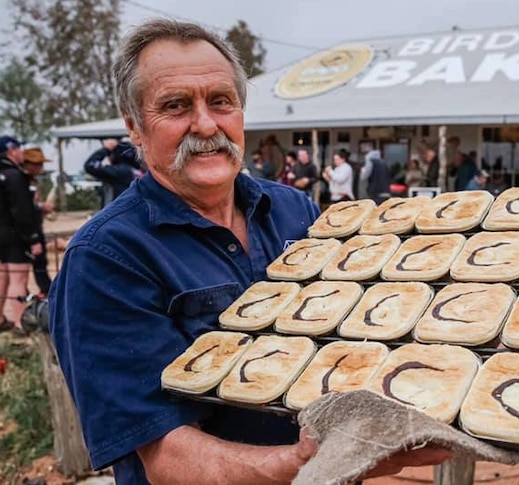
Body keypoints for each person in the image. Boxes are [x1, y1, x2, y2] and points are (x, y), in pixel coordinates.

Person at [48, 19, 448, 485]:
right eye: (175, 106)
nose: (205, 124)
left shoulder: (294, 210)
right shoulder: (105, 257)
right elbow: (165, 458)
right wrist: (310, 464)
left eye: (221, 101)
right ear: (135, 126)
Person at [0, 136, 43, 335]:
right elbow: (22, 211)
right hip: (14, 236)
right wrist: (33, 238)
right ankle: (19, 323)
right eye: (18, 149)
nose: (21, 154)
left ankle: (1, 318)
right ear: (11, 151)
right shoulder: (15, 176)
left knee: (3, 277)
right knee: (19, 279)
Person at [21, 147, 53, 297]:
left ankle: (45, 289)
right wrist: (41, 207)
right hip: (27, 229)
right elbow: (24, 206)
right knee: (33, 263)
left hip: (35, 226)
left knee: (41, 262)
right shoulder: (22, 182)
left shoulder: (32, 181)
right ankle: (43, 290)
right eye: (37, 164)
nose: (40, 167)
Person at [84, 138, 143, 208]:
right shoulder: (138, 171)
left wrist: (106, 149)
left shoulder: (120, 171)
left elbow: (90, 165)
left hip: (117, 213)